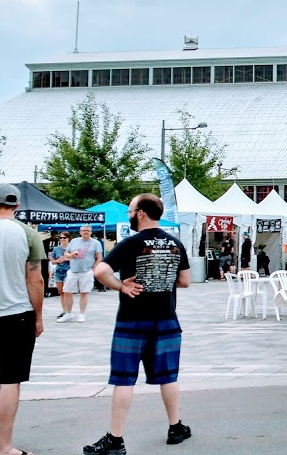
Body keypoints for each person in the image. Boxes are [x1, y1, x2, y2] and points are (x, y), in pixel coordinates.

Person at [84, 193, 192, 454]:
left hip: (132, 321)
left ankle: (115, 439)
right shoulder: (175, 243)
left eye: (130, 210)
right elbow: (185, 281)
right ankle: (175, 427)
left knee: (124, 379)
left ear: (141, 213)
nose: (129, 215)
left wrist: (121, 286)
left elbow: (100, 271)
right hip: (166, 319)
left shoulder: (131, 243)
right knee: (168, 376)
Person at [0, 184, 44, 455]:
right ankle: (5, 447)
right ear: (17, 206)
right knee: (10, 381)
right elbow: (35, 280)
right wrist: (38, 317)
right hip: (15, 315)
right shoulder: (28, 233)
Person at [59, 224, 103, 323]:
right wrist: (71, 255)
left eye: (88, 230)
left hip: (86, 271)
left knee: (84, 292)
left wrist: (94, 269)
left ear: (91, 232)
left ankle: (81, 314)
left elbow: (99, 257)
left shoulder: (95, 243)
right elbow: (66, 253)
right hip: (73, 270)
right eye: (84, 230)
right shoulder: (74, 241)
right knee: (67, 291)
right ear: (80, 231)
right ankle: (68, 313)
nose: (86, 232)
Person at [50, 231, 72, 318]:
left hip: (68, 271)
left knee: (67, 292)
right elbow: (52, 260)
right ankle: (64, 310)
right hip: (59, 271)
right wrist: (58, 261)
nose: (62, 239)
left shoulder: (71, 248)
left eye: (64, 238)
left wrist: (66, 259)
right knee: (61, 292)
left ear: (68, 239)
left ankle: (68, 310)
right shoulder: (56, 249)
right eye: (61, 238)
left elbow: (76, 259)